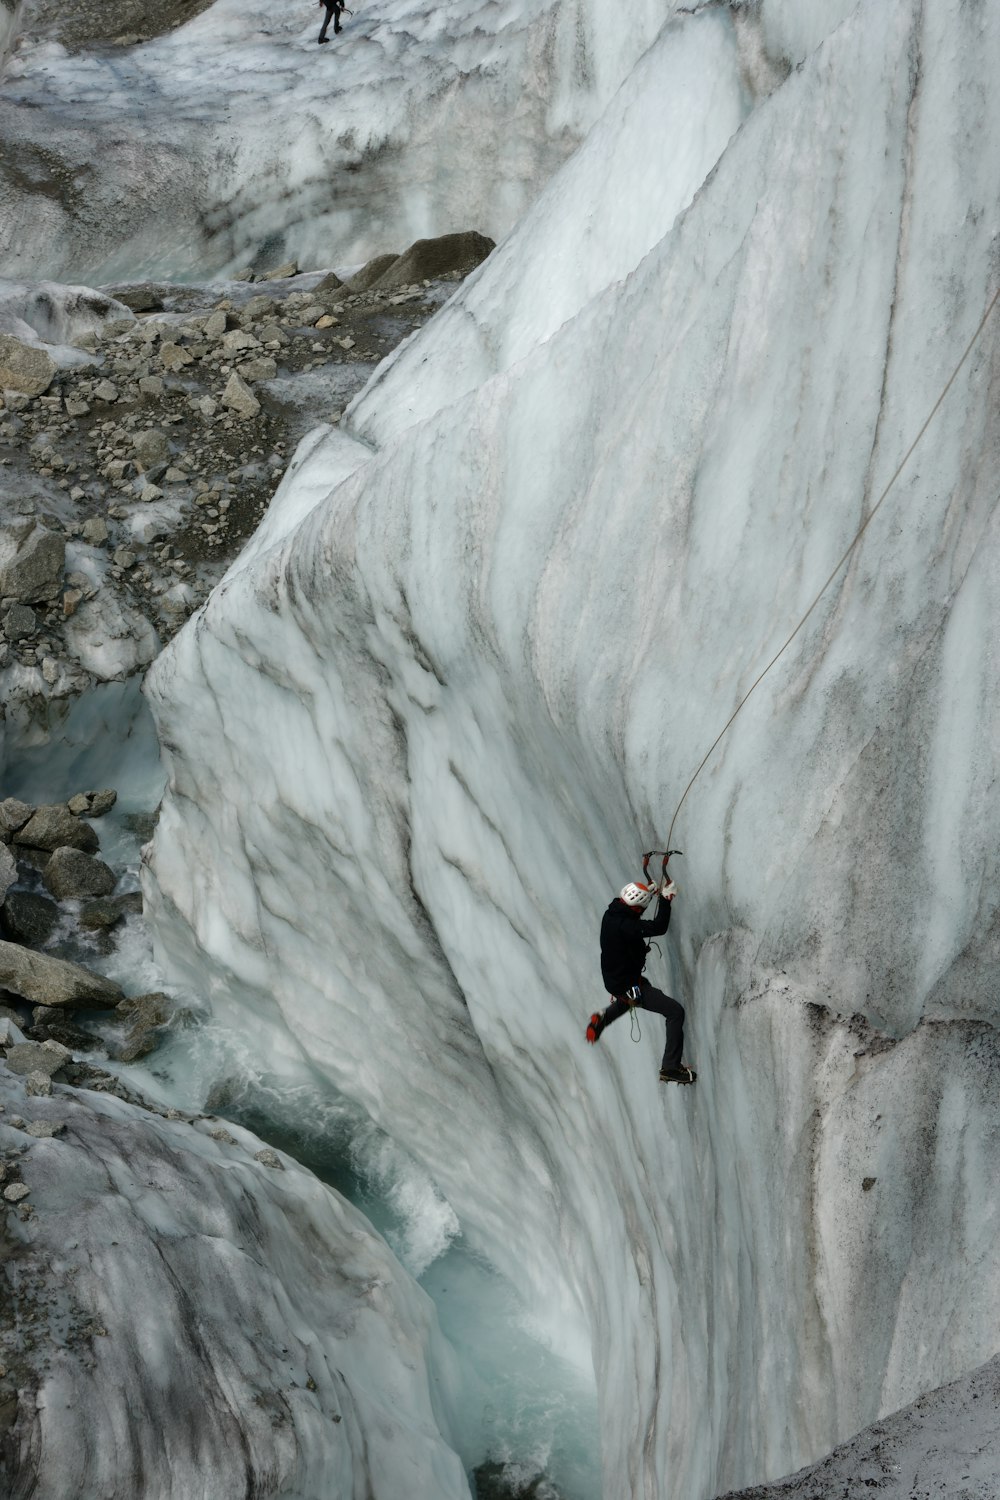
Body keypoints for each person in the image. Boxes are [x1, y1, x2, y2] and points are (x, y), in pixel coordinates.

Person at [586, 875, 696, 1084]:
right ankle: (670, 1068)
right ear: (636, 908)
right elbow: (658, 927)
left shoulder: (611, 914)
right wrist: (665, 899)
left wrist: (649, 892)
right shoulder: (627, 926)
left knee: (632, 998)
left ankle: (603, 1019)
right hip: (627, 984)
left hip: (616, 979)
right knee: (675, 1012)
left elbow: (630, 923)